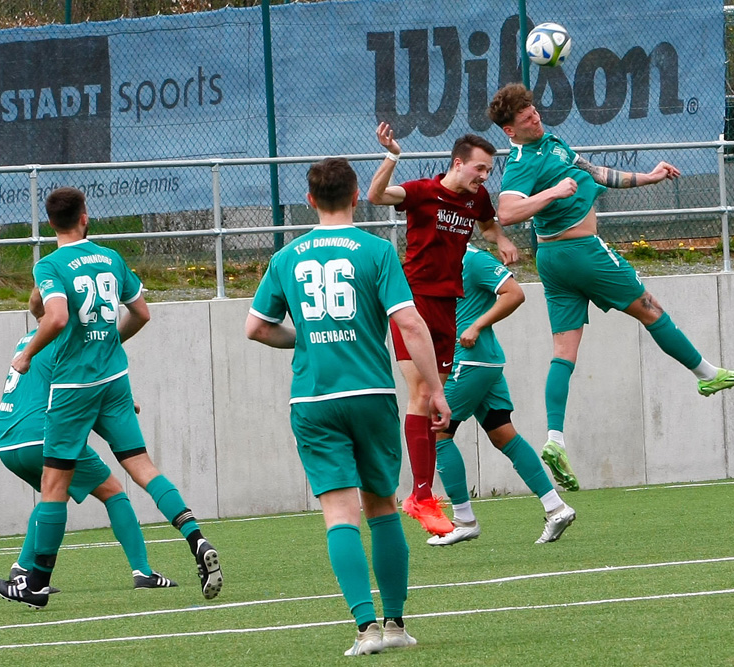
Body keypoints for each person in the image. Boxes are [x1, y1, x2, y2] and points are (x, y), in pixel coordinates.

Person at [487, 83, 734, 492]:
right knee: (650, 309)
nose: (535, 118)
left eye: (534, 111)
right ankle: (706, 374)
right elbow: (506, 210)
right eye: (525, 118)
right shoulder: (521, 159)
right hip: (581, 252)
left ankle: (555, 439)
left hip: (555, 263)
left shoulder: (552, 142)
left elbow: (595, 173)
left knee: (564, 351)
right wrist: (554, 191)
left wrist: (648, 177)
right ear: (510, 131)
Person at [246, 158, 450, 657]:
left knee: (339, 512)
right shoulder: (378, 251)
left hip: (313, 400)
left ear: (310, 200)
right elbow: (412, 325)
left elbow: (256, 327)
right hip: (371, 395)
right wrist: (436, 390)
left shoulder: (286, 257)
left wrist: (308, 340)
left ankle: (364, 630)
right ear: (358, 196)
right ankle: (397, 623)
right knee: (380, 503)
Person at [0, 187, 222, 609]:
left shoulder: (50, 264)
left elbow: (56, 317)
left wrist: (26, 354)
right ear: (85, 218)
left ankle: (36, 583)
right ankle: (195, 537)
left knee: (53, 485)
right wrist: (108, 345)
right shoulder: (110, 259)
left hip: (74, 386)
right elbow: (142, 313)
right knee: (142, 468)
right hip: (115, 380)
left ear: (49, 224)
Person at [367, 125, 519, 537]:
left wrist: (501, 240)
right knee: (421, 394)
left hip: (448, 308)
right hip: (411, 303)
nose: (485, 176)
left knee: (435, 406)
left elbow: (488, 225)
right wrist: (393, 156)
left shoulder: (477, 199)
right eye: (480, 169)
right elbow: (376, 196)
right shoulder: (422, 192)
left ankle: (421, 495)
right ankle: (421, 495)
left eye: (489, 171)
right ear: (458, 163)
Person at [0, 290, 175, 591]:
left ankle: (22, 568)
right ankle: (143, 571)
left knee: (54, 493)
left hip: (7, 439)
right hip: (41, 435)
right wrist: (120, 407)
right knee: (114, 491)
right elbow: (80, 390)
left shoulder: (27, 340)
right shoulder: (65, 340)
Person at [429, 245, 575, 546]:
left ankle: (464, 519)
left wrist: (477, 325)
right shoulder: (437, 259)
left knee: (437, 434)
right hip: (483, 362)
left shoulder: (472, 258)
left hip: (469, 360)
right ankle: (555, 507)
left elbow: (514, 293)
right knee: (503, 435)